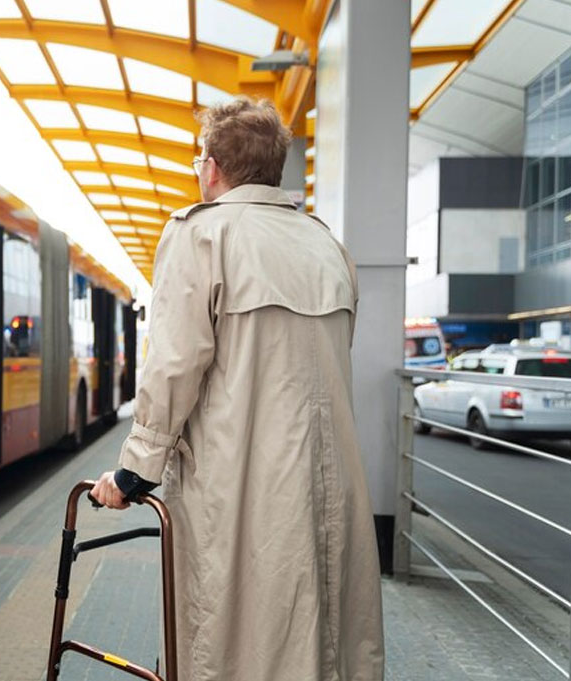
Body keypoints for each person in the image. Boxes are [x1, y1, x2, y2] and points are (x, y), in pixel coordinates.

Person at [90, 97, 385, 680]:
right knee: (323, 636)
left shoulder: (201, 235)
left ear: (214, 168)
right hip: (330, 488)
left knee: (227, 642)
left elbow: (173, 366)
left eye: (201, 161)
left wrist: (132, 474)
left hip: (238, 486)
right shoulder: (327, 246)